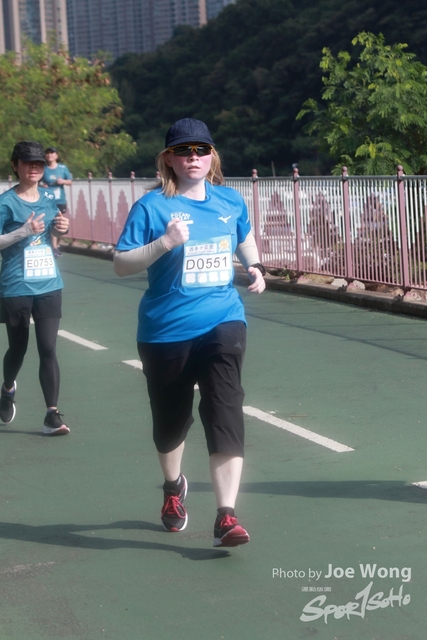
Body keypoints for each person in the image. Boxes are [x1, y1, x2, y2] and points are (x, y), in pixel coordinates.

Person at [114, 118, 266, 547]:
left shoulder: (229, 200)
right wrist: (164, 243)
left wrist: (254, 265)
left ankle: (226, 515)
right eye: (183, 151)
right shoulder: (151, 207)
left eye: (201, 150)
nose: (193, 157)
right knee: (171, 423)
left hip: (223, 319)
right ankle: (173, 486)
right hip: (166, 330)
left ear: (212, 156)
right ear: (169, 159)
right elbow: (121, 264)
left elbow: (244, 237)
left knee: (224, 409)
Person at [0, 141, 70, 435]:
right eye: (27, 162)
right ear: (15, 165)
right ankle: (7, 389)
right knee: (18, 348)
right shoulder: (5, 203)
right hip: (16, 285)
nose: (34, 168)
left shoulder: (50, 197)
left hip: (48, 284)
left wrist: (62, 228)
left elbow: (55, 227)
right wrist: (23, 231)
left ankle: (52, 414)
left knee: (48, 347)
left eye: (38, 163)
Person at [42, 146, 72, 257]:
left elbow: (70, 182)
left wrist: (62, 181)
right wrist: (42, 186)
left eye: (52, 153)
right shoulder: (43, 168)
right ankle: (54, 247)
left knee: (60, 223)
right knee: (52, 221)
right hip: (48, 200)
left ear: (56, 155)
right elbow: (37, 182)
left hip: (60, 199)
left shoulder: (62, 168)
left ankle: (57, 245)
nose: (50, 155)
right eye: (48, 153)